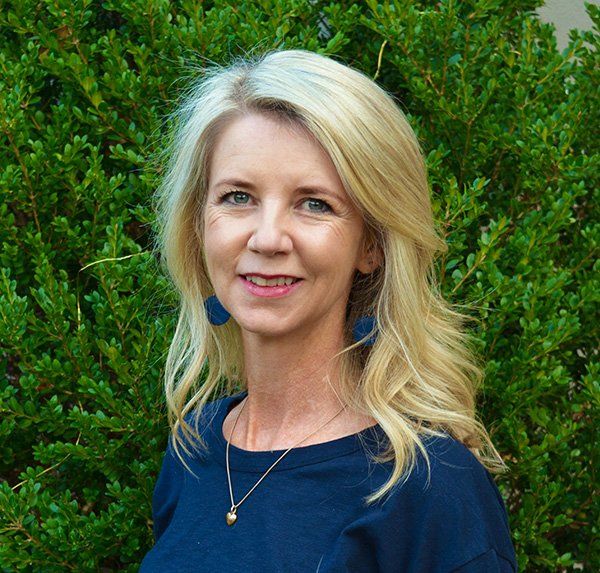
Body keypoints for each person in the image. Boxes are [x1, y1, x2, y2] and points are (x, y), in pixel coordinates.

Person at [140, 49, 517, 572]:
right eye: (238, 196)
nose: (268, 237)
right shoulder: (196, 446)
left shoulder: (428, 488)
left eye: (314, 203)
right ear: (199, 226)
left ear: (371, 245)